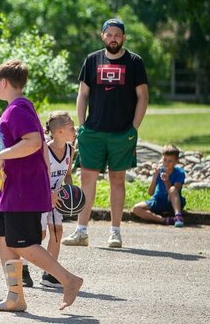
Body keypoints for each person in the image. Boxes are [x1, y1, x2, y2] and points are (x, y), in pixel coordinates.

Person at [0, 59, 82, 312]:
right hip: (10, 190)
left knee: (20, 243)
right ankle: (15, 296)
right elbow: (39, 148)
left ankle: (68, 280)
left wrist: (1, 156)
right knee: (3, 238)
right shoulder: (19, 107)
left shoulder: (17, 109)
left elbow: (32, 142)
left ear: (4, 82)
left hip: (22, 190)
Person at [63, 18, 148, 249]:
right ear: (102, 36)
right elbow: (82, 94)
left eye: (117, 35)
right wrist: (82, 126)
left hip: (122, 133)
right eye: (109, 34)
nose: (113, 38)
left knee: (117, 180)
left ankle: (115, 232)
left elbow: (143, 96)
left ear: (124, 37)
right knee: (87, 180)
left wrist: (134, 127)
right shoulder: (92, 60)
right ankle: (81, 231)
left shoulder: (134, 62)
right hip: (94, 131)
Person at [39, 111, 76, 289]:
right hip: (39, 195)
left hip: (57, 198)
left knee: (57, 232)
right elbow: (40, 177)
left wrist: (71, 192)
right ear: (60, 131)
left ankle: (49, 274)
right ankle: (22, 268)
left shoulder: (70, 149)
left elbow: (67, 175)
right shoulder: (44, 149)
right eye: (72, 127)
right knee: (39, 235)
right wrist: (50, 194)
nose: (75, 130)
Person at [132, 144, 186, 227]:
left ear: (176, 161)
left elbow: (173, 192)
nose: (166, 163)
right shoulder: (160, 171)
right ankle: (164, 220)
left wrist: (167, 181)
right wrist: (154, 177)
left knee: (172, 189)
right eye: (165, 160)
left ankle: (178, 216)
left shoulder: (179, 173)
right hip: (158, 201)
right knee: (136, 208)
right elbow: (150, 193)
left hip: (172, 202)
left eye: (170, 161)